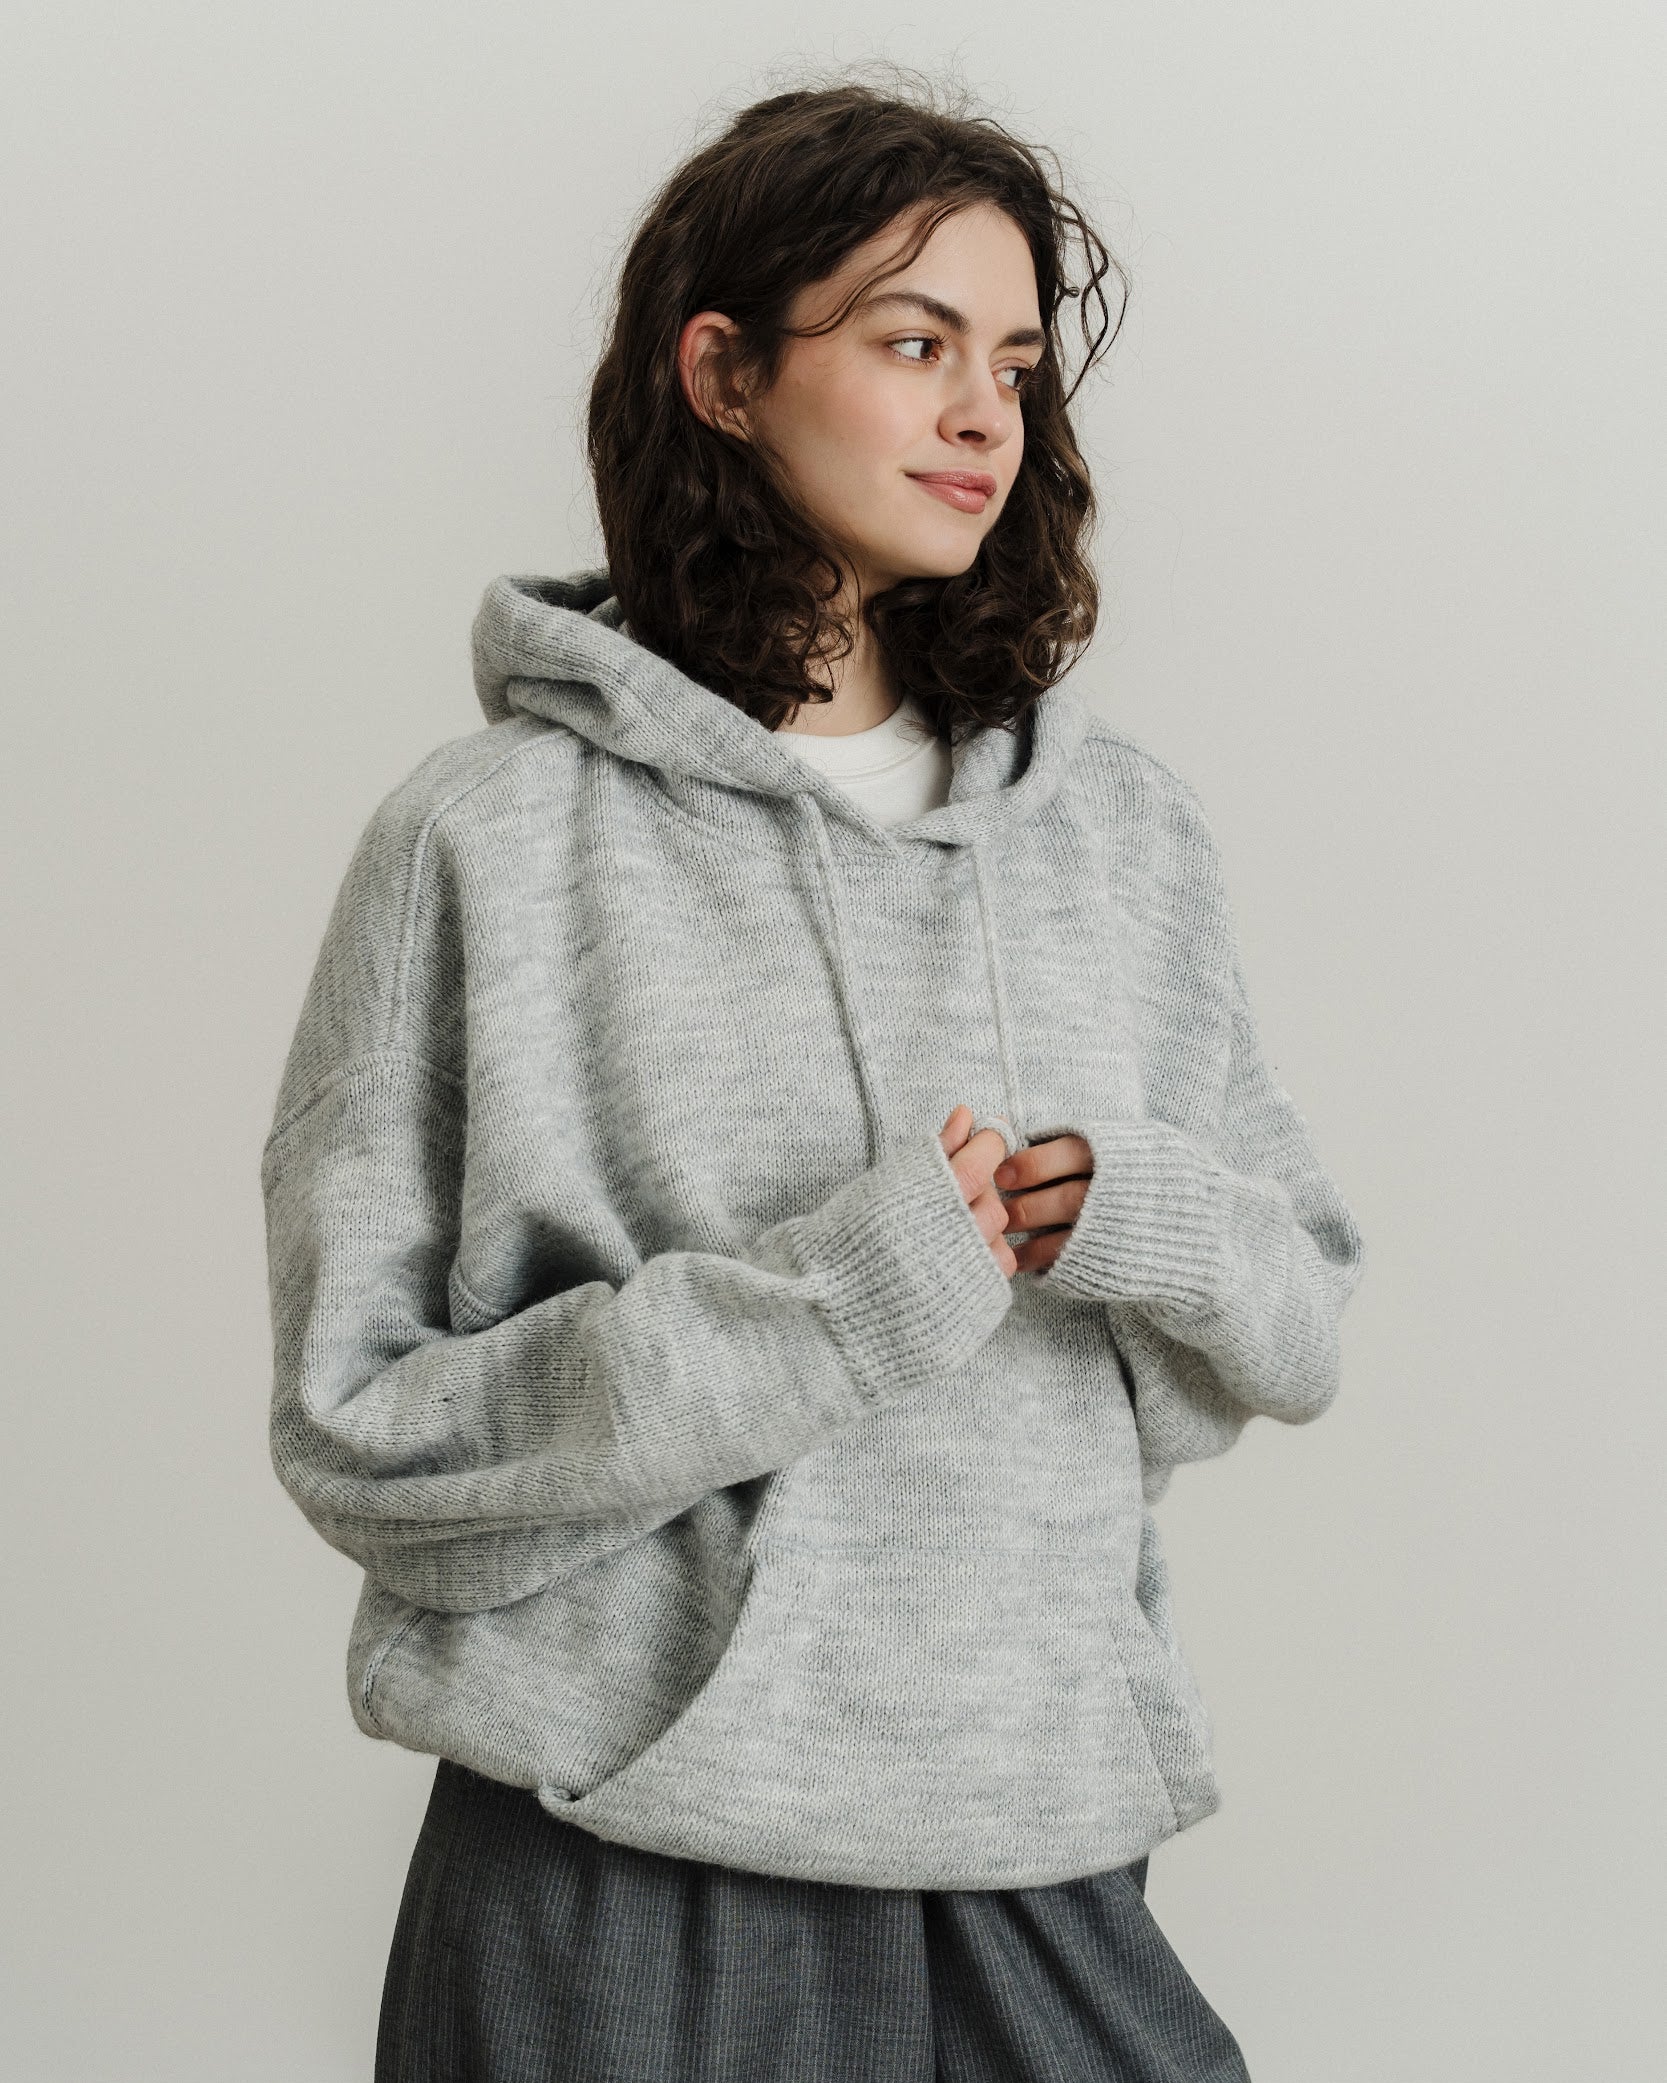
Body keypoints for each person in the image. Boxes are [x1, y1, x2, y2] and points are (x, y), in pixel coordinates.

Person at [260, 66, 1366, 2083]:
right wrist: (827, 1312)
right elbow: (370, 1447)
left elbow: (1299, 1328)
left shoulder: (1121, 837)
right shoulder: (484, 844)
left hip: (1042, 1842)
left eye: (1014, 364)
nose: (985, 416)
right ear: (723, 373)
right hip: (625, 1870)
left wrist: (1151, 1219)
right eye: (914, 342)